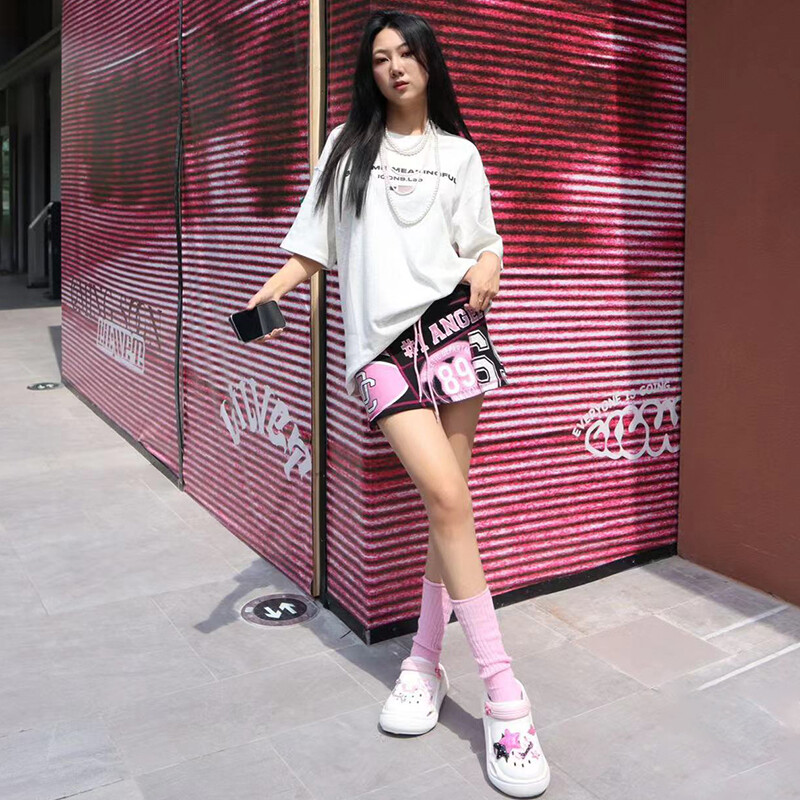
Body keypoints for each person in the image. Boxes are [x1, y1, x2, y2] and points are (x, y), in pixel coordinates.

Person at [246, 10, 550, 798]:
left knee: (449, 510)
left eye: (408, 53)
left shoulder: (459, 154)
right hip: (382, 352)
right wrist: (266, 295)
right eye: (381, 57)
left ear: (429, 63)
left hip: (453, 333)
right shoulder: (346, 150)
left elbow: (482, 240)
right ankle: (506, 699)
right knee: (448, 498)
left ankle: (422, 663)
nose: (395, 66)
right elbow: (311, 245)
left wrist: (490, 263)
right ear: (370, 71)